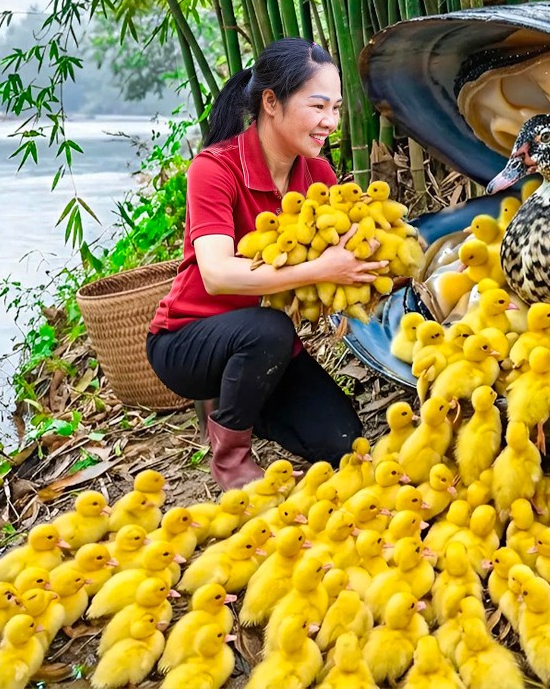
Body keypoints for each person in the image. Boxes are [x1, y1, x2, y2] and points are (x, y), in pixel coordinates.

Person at [146, 38, 386, 489]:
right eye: (318, 107)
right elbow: (217, 276)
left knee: (343, 442)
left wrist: (365, 268)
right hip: (185, 342)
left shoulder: (319, 176)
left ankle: (242, 401)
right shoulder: (214, 168)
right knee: (266, 329)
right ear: (271, 102)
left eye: (335, 108)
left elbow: (327, 275)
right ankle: (230, 459)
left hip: (266, 348)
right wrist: (323, 270)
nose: (330, 122)